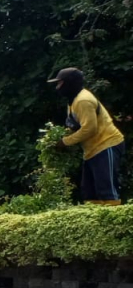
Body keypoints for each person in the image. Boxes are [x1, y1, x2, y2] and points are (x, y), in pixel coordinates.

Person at [53, 67, 126, 205]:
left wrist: (65, 141)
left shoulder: (83, 101)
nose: (57, 87)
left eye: (60, 83)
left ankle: (114, 223)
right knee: (89, 192)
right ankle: (95, 223)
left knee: (107, 190)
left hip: (106, 144)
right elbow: (77, 125)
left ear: (69, 83)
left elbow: (89, 129)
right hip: (92, 150)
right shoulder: (73, 101)